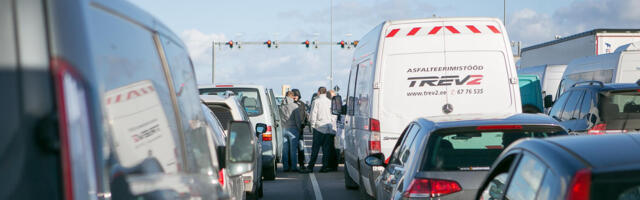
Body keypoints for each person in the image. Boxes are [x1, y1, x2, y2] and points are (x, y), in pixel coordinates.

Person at [302, 87, 334, 173]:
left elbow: (313, 114)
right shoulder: (330, 102)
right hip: (328, 127)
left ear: (319, 92)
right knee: (326, 149)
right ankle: (325, 166)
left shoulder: (316, 101)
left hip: (318, 127)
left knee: (315, 149)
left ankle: (310, 167)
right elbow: (333, 115)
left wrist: (312, 125)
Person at [279, 91, 302, 172]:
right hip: (293, 129)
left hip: (284, 129)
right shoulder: (294, 106)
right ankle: (293, 167)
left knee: (285, 149)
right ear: (292, 96)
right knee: (293, 150)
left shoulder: (281, 106)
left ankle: (285, 167)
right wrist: (299, 129)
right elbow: (297, 120)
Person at [291, 89, 309, 170]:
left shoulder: (302, 104)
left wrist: (304, 124)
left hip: (300, 129)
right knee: (291, 148)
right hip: (292, 128)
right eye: (294, 95)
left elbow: (305, 115)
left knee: (300, 147)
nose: (295, 97)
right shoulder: (290, 104)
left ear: (299, 96)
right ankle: (292, 164)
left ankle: (302, 163)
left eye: (296, 95)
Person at [325, 90, 339, 171]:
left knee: (334, 149)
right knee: (331, 149)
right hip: (331, 129)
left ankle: (333, 165)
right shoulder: (330, 104)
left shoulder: (335, 104)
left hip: (334, 129)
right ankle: (332, 165)